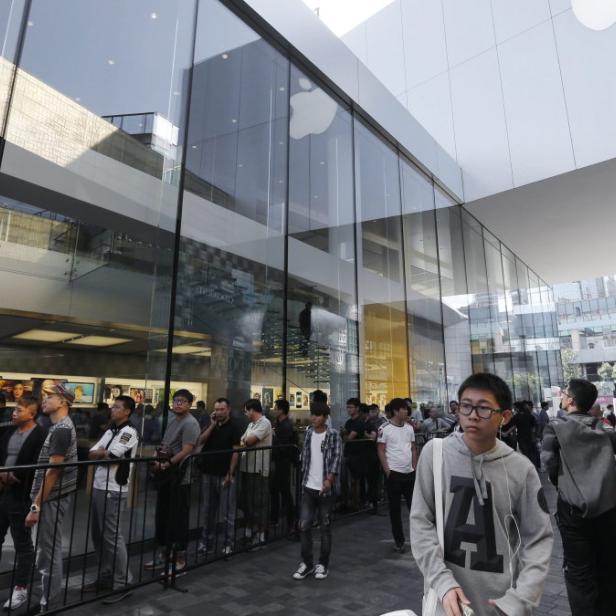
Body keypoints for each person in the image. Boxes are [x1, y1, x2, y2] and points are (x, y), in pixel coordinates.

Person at [411, 373, 553, 616]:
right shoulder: (435, 455)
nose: (473, 415)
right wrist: (442, 582)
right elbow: (420, 522)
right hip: (448, 602)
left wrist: (520, 600)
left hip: (502, 605)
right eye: (466, 406)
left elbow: (537, 538)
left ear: (504, 417)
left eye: (484, 408)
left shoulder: (521, 469)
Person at [541, 379, 616, 616]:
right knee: (608, 564)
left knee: (578, 570)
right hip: (608, 507)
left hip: (573, 509)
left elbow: (548, 462)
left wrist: (561, 483)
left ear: (571, 400)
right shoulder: (605, 429)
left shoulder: (555, 427)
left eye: (563, 393)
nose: (562, 396)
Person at [25, 384, 78, 614]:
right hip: (52, 497)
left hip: (52, 499)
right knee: (47, 550)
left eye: (50, 397)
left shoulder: (62, 430)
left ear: (63, 402)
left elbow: (53, 471)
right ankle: (48, 600)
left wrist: (36, 505)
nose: (44, 400)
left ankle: (50, 605)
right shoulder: (59, 427)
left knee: (48, 552)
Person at [86, 395, 139, 597]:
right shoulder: (110, 430)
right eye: (112, 406)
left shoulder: (129, 432)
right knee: (98, 535)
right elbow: (92, 452)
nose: (112, 409)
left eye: (117, 407)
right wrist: (102, 452)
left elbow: (114, 456)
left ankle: (123, 581)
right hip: (99, 485)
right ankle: (106, 575)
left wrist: (102, 452)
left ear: (127, 411)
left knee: (112, 536)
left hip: (114, 488)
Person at [146, 389, 200, 575]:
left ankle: (179, 558)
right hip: (166, 475)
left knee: (177, 518)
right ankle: (165, 554)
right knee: (163, 515)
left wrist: (167, 463)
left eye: (183, 401)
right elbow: (164, 444)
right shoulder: (171, 420)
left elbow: (186, 450)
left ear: (190, 404)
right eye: (176, 400)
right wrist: (156, 458)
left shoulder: (191, 423)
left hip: (179, 476)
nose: (178, 404)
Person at [0, 396, 47, 610]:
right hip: (2, 492)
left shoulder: (40, 436)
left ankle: (20, 589)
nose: (14, 413)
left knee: (23, 544)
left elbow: (39, 466)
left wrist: (16, 476)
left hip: (22, 496)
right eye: (15, 409)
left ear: (32, 413)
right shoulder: (8, 431)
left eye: (19, 410)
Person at [292, 402, 341, 581]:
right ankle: (307, 563)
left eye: (318, 415)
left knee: (325, 527)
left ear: (325, 417)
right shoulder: (308, 433)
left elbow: (336, 458)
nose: (314, 418)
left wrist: (329, 479)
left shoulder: (333, 435)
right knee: (304, 525)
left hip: (325, 489)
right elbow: (305, 455)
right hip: (308, 486)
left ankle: (323, 564)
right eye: (312, 414)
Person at [197, 397, 241, 556]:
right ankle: (206, 542)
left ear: (228, 409)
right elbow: (200, 441)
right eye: (216, 409)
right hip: (208, 473)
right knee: (208, 510)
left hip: (224, 474)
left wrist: (231, 472)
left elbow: (236, 451)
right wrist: (212, 425)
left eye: (222, 409)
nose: (219, 412)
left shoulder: (235, 426)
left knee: (227, 512)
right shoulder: (212, 425)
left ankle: (228, 543)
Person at [377, 398, 417, 553]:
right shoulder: (384, 428)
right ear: (395, 411)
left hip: (409, 473)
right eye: (404, 409)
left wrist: (415, 466)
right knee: (395, 510)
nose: (406, 412)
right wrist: (387, 470)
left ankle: (420, 539)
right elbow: (380, 449)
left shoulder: (409, 428)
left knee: (415, 509)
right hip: (394, 474)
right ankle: (399, 541)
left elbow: (413, 448)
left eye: (407, 409)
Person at [238, 399, 272, 548]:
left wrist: (245, 440)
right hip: (247, 467)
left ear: (252, 410)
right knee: (248, 502)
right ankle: (250, 532)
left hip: (258, 469)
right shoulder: (251, 424)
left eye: (246, 410)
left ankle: (260, 535)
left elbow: (249, 441)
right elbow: (242, 440)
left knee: (259, 502)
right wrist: (244, 440)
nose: (245, 413)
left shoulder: (265, 423)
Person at [270, 399, 297, 531]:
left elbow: (284, 447)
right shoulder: (280, 423)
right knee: (276, 490)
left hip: (283, 462)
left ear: (281, 410)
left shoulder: (286, 426)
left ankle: (290, 521)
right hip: (279, 461)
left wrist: (273, 437)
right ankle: (276, 518)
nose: (274, 409)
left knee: (284, 492)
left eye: (275, 407)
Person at [342, 397, 365, 510]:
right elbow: (345, 435)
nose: (348, 409)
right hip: (348, 453)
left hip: (357, 454)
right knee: (346, 479)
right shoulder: (348, 422)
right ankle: (348, 502)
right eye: (347, 407)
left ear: (357, 408)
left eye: (351, 407)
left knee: (355, 480)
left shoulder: (359, 422)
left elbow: (349, 437)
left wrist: (345, 435)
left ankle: (356, 503)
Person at [511, 401, 539, 468]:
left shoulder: (516, 417)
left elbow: (512, 426)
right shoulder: (530, 416)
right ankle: (535, 467)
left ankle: (530, 468)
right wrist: (534, 435)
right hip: (530, 437)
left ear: (517, 408)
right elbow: (535, 426)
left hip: (521, 438)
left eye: (514, 408)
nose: (514, 409)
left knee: (525, 453)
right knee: (531, 452)